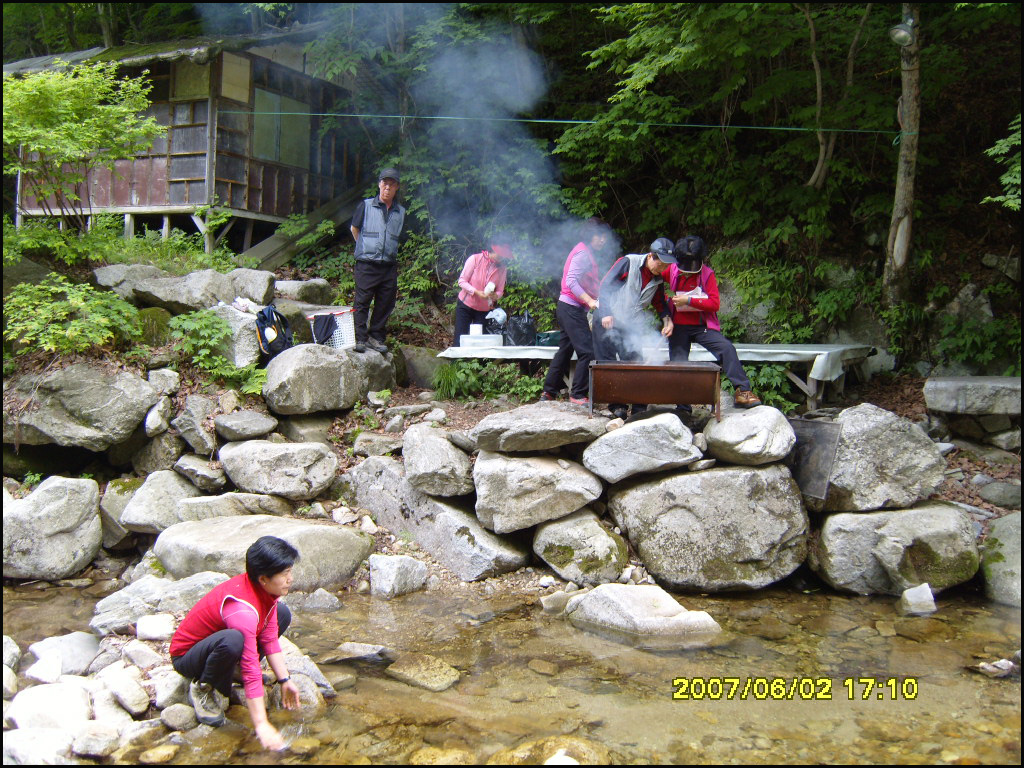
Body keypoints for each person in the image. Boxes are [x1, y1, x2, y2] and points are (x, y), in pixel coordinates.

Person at [170, 536, 301, 752]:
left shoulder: (265, 591)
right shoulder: (242, 610)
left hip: (221, 644)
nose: (291, 579)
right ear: (264, 579)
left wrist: (284, 680)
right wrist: (261, 724)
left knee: (282, 613)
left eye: (290, 571)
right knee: (233, 640)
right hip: (187, 657)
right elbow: (252, 669)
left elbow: (268, 637)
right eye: (285, 574)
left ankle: (231, 670)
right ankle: (203, 687)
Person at [665, 235, 762, 409]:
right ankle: (683, 407)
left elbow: (715, 304)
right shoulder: (671, 270)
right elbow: (657, 288)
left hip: (702, 326)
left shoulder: (707, 274)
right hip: (678, 326)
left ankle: (743, 391)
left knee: (726, 348)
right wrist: (667, 302)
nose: (687, 271)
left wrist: (689, 301)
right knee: (678, 363)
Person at [592, 237, 676, 420]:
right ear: (651, 256)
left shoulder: (657, 280)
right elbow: (605, 285)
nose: (661, 269)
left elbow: (660, 303)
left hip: (629, 324)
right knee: (608, 363)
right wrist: (606, 312)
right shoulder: (628, 263)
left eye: (665, 267)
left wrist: (667, 320)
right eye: (659, 264)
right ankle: (617, 406)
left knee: (636, 360)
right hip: (607, 318)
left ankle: (639, 407)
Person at [541, 218, 609, 405]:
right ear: (590, 235)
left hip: (568, 307)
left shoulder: (586, 252)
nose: (603, 240)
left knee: (564, 350)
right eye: (599, 235)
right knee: (587, 351)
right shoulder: (583, 253)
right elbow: (571, 281)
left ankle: (548, 392)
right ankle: (578, 394)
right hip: (571, 307)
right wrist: (590, 301)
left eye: (605, 236)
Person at [350, 168, 406, 353]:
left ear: (397, 187)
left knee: (385, 302)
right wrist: (364, 248)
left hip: (388, 265)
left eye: (392, 184)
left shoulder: (401, 212)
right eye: (384, 183)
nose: (387, 187)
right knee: (362, 301)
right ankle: (360, 338)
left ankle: (376, 337)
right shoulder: (365, 206)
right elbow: (354, 229)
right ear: (379, 184)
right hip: (367, 263)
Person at [453, 238, 513, 346]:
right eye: (500, 255)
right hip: (466, 305)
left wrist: (495, 296)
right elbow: (462, 281)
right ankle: (456, 362)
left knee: (481, 343)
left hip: (484, 309)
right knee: (460, 338)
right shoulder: (475, 259)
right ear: (492, 251)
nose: (501, 258)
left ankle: (477, 363)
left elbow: (500, 291)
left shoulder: (502, 268)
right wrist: (476, 292)